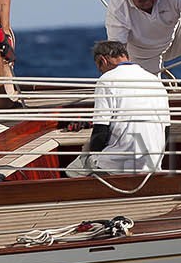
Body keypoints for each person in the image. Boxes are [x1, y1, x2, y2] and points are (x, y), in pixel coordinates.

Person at [63, 40, 170, 177]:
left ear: (102, 60)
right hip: (152, 164)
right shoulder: (156, 82)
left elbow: (101, 130)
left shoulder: (106, 80)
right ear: (127, 57)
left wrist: (93, 155)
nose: (100, 72)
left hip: (117, 165)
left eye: (99, 68)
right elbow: (166, 130)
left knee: (71, 171)